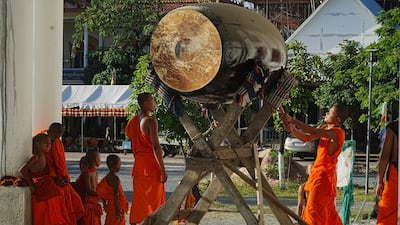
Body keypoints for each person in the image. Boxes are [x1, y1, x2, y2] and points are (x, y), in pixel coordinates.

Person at [280, 104, 348, 225]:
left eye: (330, 112)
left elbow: (312, 130)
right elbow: (306, 137)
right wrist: (293, 129)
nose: (326, 113)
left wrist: (293, 120)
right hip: (317, 174)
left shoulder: (337, 132)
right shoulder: (324, 128)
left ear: (337, 120)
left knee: (314, 210)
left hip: (324, 177)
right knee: (325, 211)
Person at [125, 92, 167, 225]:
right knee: (154, 203)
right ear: (145, 104)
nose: (154, 103)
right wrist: (163, 169)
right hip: (152, 166)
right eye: (152, 100)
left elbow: (134, 148)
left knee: (140, 201)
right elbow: (155, 147)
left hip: (139, 166)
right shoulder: (150, 121)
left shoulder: (132, 122)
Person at [19, 134, 69, 225]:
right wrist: (30, 184)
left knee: (54, 207)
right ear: (37, 144)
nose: (48, 146)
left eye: (49, 144)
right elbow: (23, 170)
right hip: (41, 187)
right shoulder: (36, 157)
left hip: (49, 186)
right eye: (45, 143)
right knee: (44, 211)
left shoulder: (46, 157)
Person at [46, 122, 85, 225]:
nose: (55, 140)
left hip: (61, 177)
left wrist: (63, 177)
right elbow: (49, 165)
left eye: (58, 137)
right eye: (54, 137)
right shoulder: (45, 143)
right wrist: (56, 178)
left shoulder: (57, 143)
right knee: (67, 204)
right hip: (52, 179)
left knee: (76, 202)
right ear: (49, 132)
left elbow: (60, 163)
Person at [375, 121, 398, 224]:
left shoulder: (394, 127)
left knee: (387, 213)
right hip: (395, 173)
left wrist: (380, 181)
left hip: (396, 174)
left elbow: (385, 156)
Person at [97, 154, 129, 225]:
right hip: (116, 207)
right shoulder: (115, 179)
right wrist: (117, 210)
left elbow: (101, 192)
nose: (120, 165)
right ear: (115, 165)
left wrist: (105, 204)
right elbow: (116, 195)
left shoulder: (107, 177)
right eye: (120, 163)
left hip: (111, 207)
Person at [80, 150, 102, 225]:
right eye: (99, 158)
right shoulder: (87, 173)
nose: (100, 160)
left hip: (95, 201)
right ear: (95, 160)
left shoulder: (95, 171)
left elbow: (96, 186)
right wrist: (99, 194)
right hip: (89, 203)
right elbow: (88, 190)